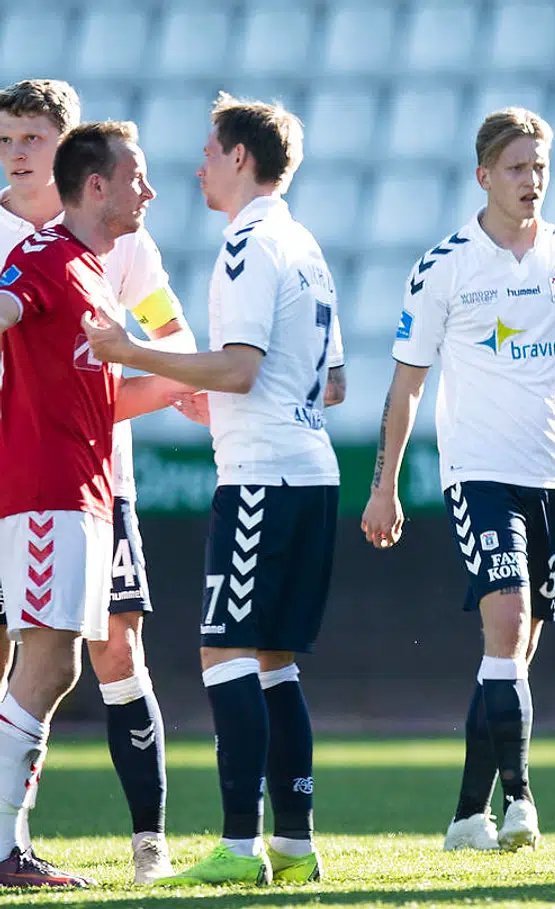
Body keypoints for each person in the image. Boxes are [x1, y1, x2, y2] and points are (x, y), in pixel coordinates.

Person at [85, 93, 345, 886]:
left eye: (209, 151)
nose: (199, 165)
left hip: (261, 475)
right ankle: (295, 847)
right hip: (314, 468)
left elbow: (237, 366)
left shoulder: (247, 241)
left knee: (223, 649)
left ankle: (239, 845)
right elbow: (332, 382)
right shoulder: (305, 243)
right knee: (275, 661)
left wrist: (137, 353)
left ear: (240, 158)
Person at [360, 107, 555, 853]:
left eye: (539, 167)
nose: (531, 180)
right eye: (516, 168)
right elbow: (405, 386)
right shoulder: (445, 265)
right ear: (483, 177)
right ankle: (522, 801)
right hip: (478, 475)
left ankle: (468, 813)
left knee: (513, 655)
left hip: (554, 479)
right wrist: (387, 484)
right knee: (504, 630)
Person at [0, 78, 194, 885]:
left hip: (85, 485)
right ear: (97, 183)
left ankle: (25, 843)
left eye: (30, 138)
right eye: (137, 177)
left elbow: (119, 379)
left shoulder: (94, 265)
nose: (149, 191)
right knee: (45, 662)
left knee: (67, 663)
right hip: (44, 488)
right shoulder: (47, 258)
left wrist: (202, 385)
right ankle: (4, 847)